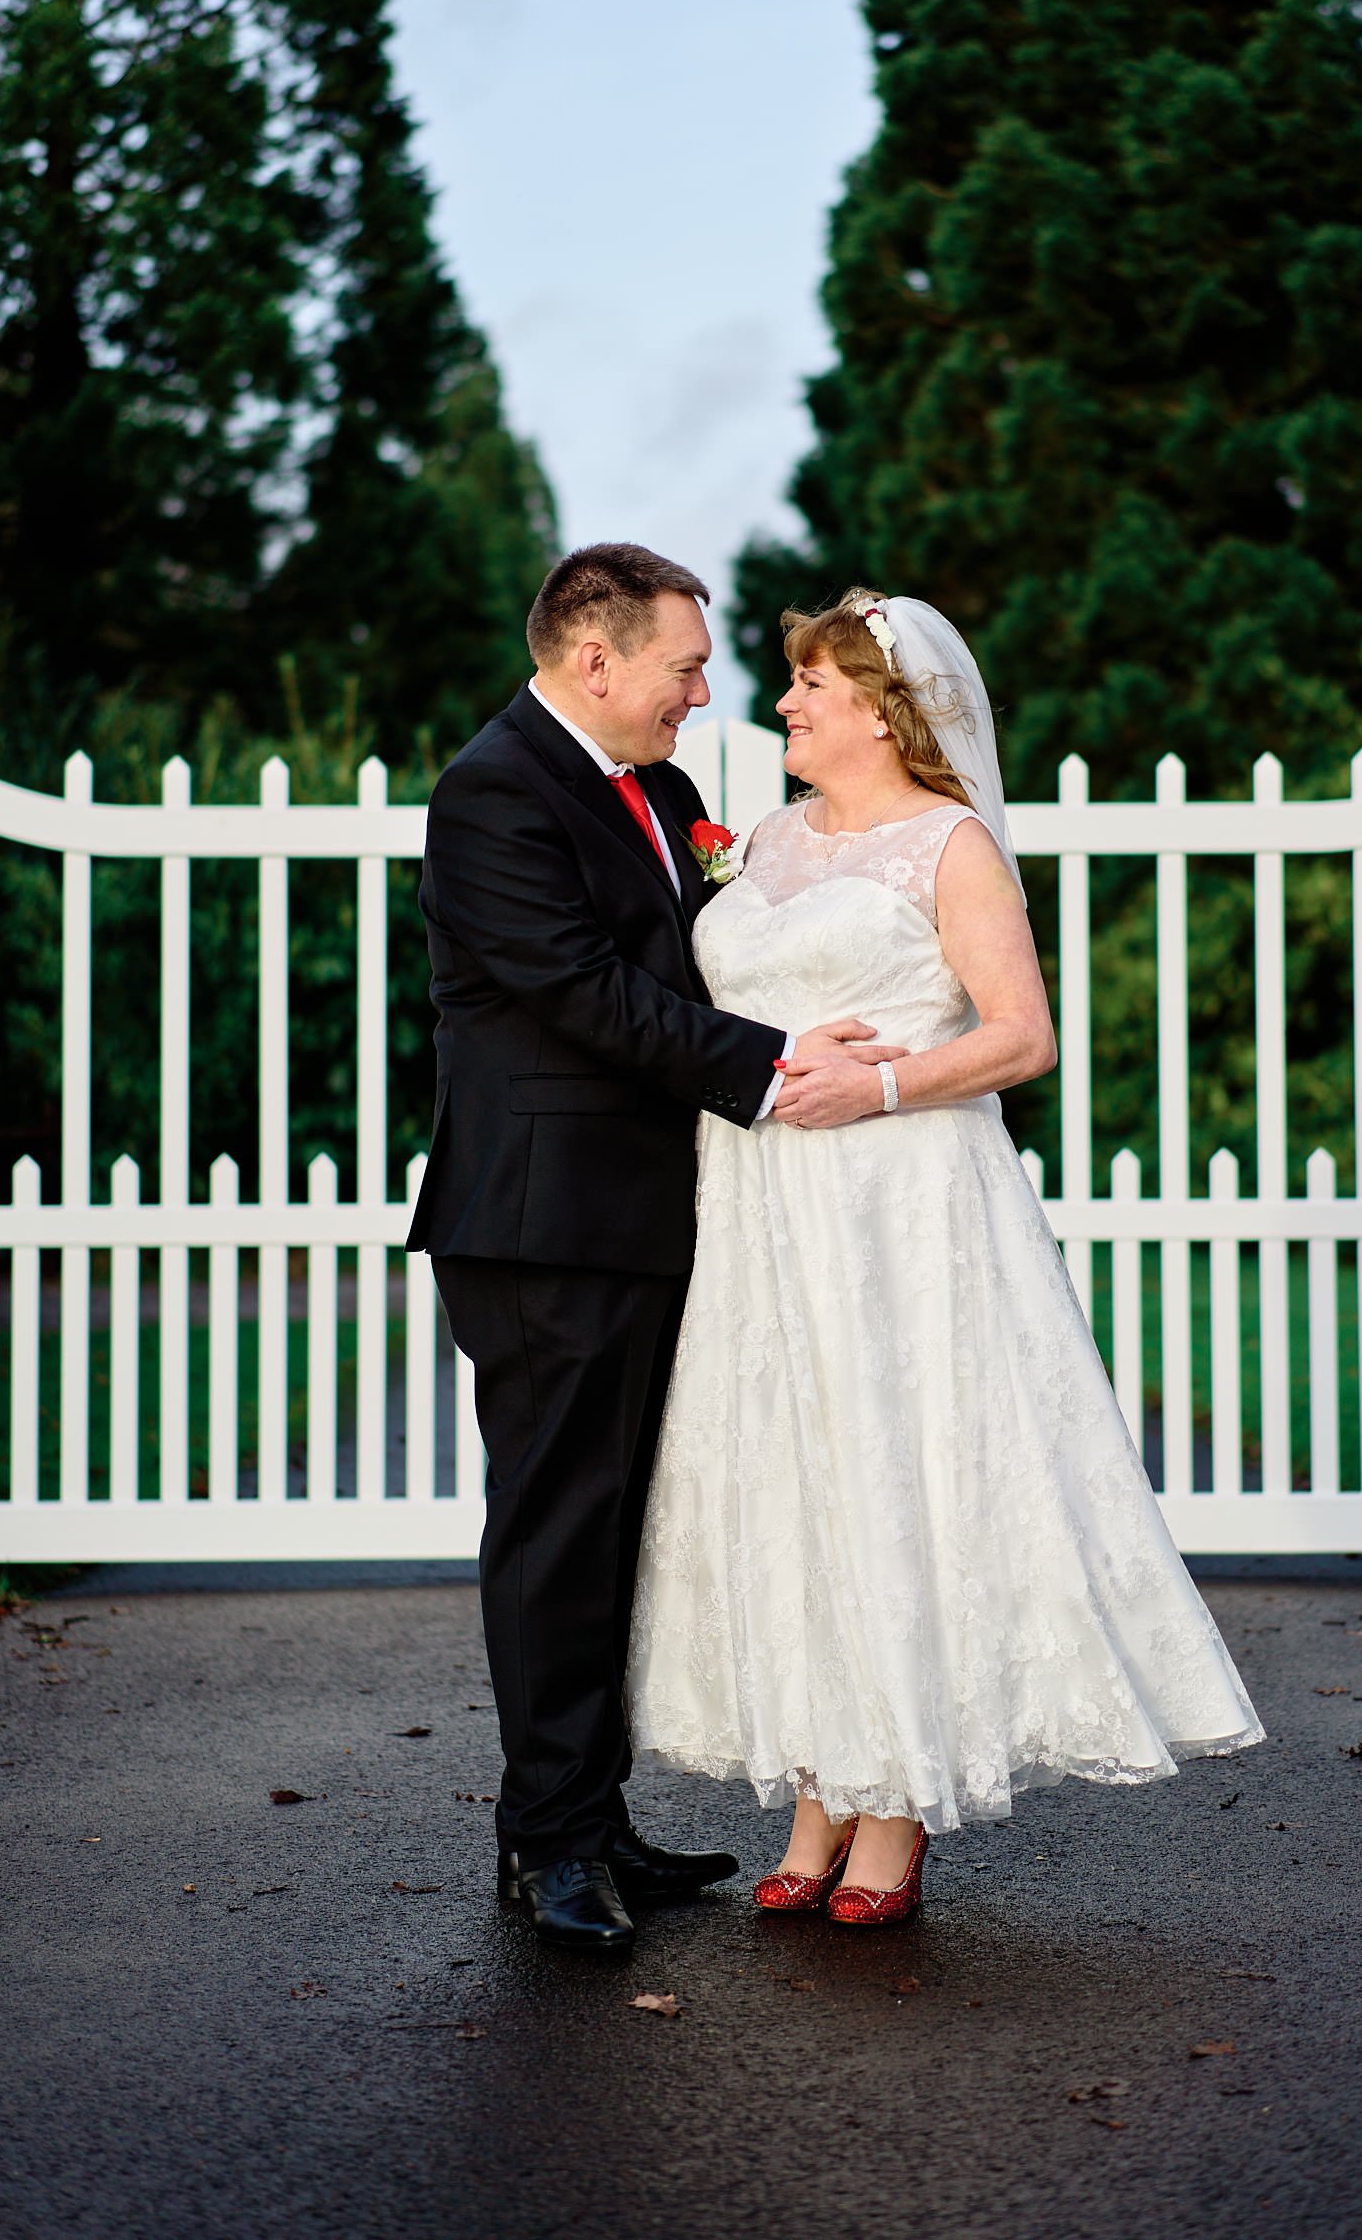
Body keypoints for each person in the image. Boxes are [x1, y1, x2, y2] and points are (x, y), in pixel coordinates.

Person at [628, 590, 1262, 1925]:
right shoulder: (769, 839)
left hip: (896, 1201)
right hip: (758, 1204)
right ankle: (820, 1784)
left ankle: (895, 1809)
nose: (785, 704)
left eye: (809, 686)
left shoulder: (950, 847)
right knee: (795, 1484)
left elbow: (1023, 1038)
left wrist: (886, 1086)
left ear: (881, 709)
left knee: (891, 1472)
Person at [407, 543, 904, 1952]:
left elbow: (708, 953)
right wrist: (775, 1057)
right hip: (543, 1227)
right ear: (595, 660)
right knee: (558, 1532)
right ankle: (545, 1846)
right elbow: (585, 994)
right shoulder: (492, 791)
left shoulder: (670, 796)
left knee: (624, 1531)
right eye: (686, 668)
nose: (703, 694)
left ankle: (596, 1812)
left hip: (663, 1220)